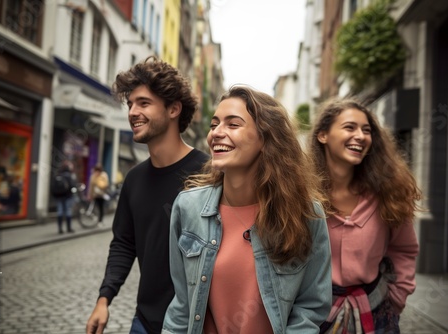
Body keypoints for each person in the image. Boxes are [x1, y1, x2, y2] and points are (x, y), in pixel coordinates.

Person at [162, 85, 332, 334]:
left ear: (265, 138)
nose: (216, 133)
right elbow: (182, 305)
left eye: (233, 124)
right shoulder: (187, 207)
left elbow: (311, 306)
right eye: (214, 124)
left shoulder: (305, 214)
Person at [86, 56, 209, 334]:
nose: (132, 112)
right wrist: (104, 299)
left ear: (174, 109)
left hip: (195, 324)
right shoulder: (134, 179)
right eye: (130, 104)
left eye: (143, 103)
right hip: (144, 321)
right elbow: (124, 243)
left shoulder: (208, 174)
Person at [309, 98, 421, 333]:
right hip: (313, 318)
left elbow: (404, 249)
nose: (360, 136)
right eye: (350, 127)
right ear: (323, 135)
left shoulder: (388, 193)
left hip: (377, 314)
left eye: (366, 130)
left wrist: (397, 297)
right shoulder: (302, 195)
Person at [51, 162, 77, 234]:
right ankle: (68, 228)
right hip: (68, 196)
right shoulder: (69, 176)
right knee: (68, 211)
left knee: (60, 211)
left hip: (59, 197)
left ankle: (60, 229)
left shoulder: (59, 175)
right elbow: (73, 186)